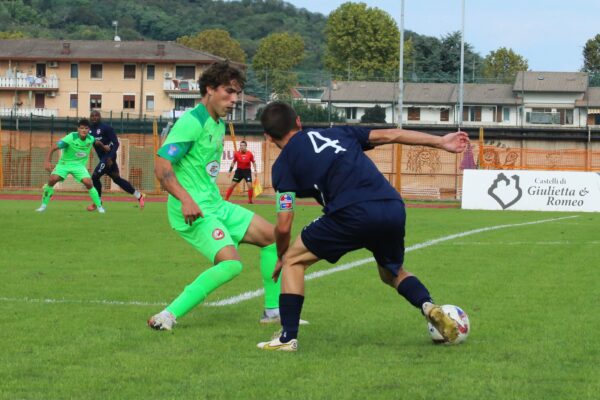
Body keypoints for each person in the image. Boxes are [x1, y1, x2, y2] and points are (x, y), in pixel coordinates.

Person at [256, 101, 470, 351]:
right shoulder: (337, 132)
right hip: (391, 205)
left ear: (268, 137)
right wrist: (441, 142)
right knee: (392, 272)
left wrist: (282, 255)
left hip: (350, 212)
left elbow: (283, 225)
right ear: (299, 122)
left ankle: (286, 338)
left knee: (294, 261)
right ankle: (429, 306)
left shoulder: (282, 166)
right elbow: (392, 134)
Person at [147, 61, 282, 330]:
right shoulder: (191, 122)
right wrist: (186, 200)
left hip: (215, 204)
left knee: (273, 238)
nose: (234, 100)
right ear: (209, 89)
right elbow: (162, 167)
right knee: (232, 265)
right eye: (228, 92)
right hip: (193, 209)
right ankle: (167, 316)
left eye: (237, 94)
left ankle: (273, 312)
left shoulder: (218, 123)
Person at [36, 119, 105, 213]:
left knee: (88, 182)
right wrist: (47, 161)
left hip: (79, 166)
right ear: (78, 129)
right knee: (52, 179)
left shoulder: (90, 138)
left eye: (86, 128)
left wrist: (104, 147)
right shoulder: (71, 137)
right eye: (81, 128)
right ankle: (43, 206)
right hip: (64, 164)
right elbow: (54, 147)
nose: (84, 130)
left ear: (89, 129)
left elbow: (96, 142)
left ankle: (100, 207)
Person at [86, 110, 145, 211]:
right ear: (90, 117)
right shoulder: (89, 130)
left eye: (96, 115)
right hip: (103, 159)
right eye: (92, 116)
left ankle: (98, 202)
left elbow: (116, 143)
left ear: (100, 117)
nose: (94, 117)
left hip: (109, 157)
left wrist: (111, 156)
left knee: (95, 176)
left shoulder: (106, 128)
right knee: (117, 179)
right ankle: (139, 196)